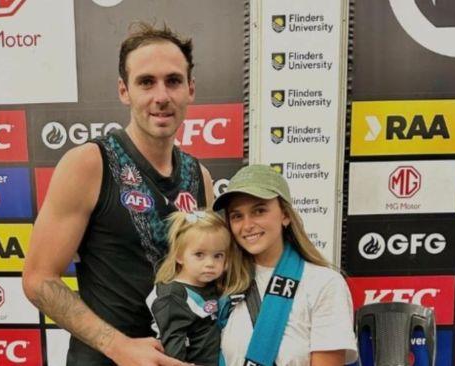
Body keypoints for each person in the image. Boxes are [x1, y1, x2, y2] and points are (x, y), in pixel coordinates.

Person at [22, 22, 214, 366]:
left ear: (190, 89)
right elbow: (39, 280)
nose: (161, 96)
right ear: (124, 91)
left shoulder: (201, 177)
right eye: (146, 82)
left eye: (173, 81)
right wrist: (117, 345)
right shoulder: (88, 163)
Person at [212, 164, 359, 366]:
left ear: (285, 215)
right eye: (237, 216)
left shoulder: (324, 283)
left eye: (259, 211)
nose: (247, 225)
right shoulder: (222, 282)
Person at [147, 210, 249, 366]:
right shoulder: (172, 296)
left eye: (218, 255)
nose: (210, 263)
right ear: (179, 256)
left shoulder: (213, 286)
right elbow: (173, 347)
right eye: (199, 254)